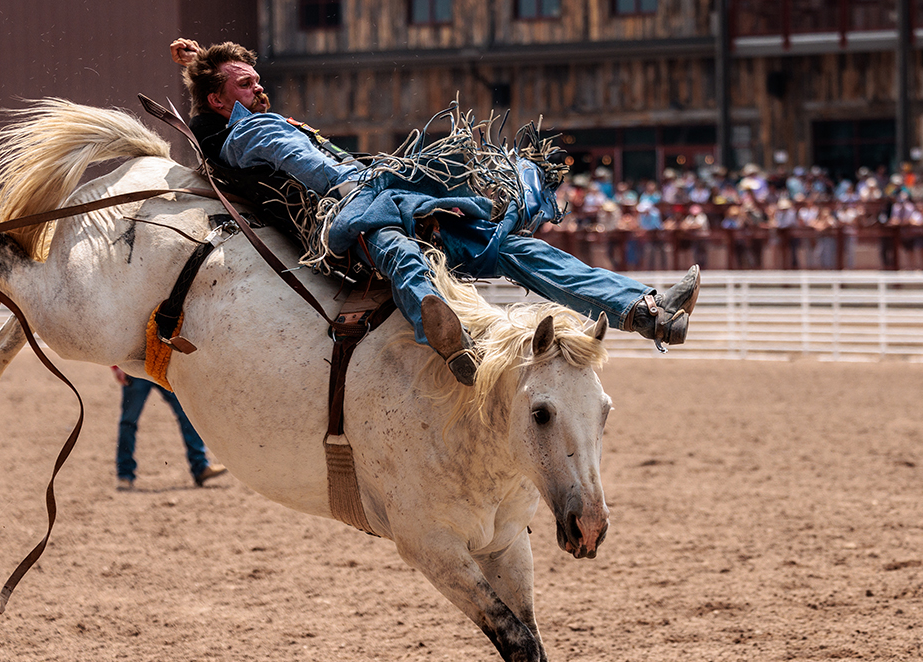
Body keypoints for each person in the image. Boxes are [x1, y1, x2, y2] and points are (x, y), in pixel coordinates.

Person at [171, 39, 699, 384]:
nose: (258, 85)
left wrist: (197, 67)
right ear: (220, 102)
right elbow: (319, 171)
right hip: (344, 217)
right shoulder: (256, 129)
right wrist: (394, 181)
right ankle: (454, 344)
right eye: (245, 84)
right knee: (394, 239)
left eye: (255, 78)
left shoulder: (237, 124)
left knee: (516, 248)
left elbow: (231, 120)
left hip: (380, 204)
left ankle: (647, 311)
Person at [112, 367, 228, 491]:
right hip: (135, 369)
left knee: (187, 414)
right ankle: (124, 474)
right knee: (129, 422)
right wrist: (116, 367)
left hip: (164, 368)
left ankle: (201, 468)